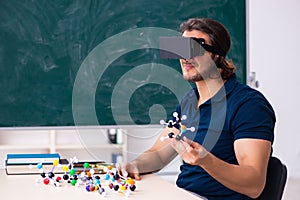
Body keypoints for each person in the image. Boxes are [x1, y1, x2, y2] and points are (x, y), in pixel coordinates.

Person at [119, 18, 275, 200]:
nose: (185, 58)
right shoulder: (189, 102)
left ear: (216, 55)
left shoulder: (248, 105)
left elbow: (254, 184)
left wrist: (206, 161)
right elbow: (159, 154)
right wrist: (134, 165)